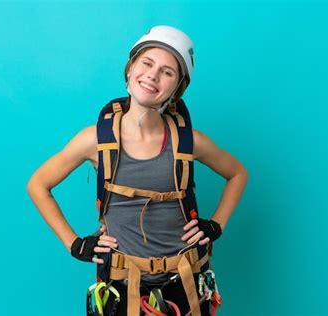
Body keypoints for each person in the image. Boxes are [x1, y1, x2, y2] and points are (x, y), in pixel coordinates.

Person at [27, 25, 248, 316]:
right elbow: (38, 184)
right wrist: (75, 244)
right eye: (147, 63)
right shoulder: (94, 140)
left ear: (178, 87)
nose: (153, 76)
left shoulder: (189, 141)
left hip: (185, 281)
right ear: (130, 68)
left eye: (167, 72)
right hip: (121, 282)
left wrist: (215, 225)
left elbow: (237, 174)